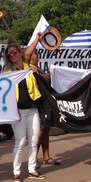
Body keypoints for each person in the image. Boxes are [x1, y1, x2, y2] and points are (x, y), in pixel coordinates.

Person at [3, 43, 46, 182]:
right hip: (18, 110)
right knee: (20, 142)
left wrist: (36, 72)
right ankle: (16, 172)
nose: (12, 55)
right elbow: (5, 92)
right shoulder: (7, 71)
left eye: (14, 52)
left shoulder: (30, 68)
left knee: (34, 140)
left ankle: (32, 169)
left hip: (32, 107)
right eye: (9, 54)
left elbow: (44, 81)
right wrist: (12, 109)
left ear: (20, 53)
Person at [24, 36, 61, 166]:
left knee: (46, 130)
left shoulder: (38, 68)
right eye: (35, 53)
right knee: (38, 132)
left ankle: (46, 156)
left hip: (46, 103)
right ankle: (33, 160)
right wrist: (37, 39)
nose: (37, 56)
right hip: (36, 104)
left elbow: (46, 82)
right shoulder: (26, 68)